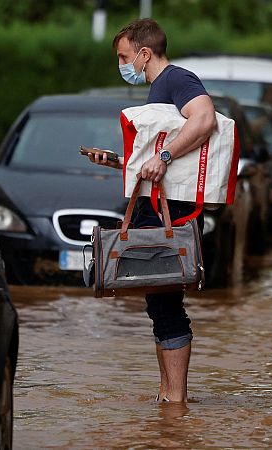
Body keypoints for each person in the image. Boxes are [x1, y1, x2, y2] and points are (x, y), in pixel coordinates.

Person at [87, 18, 217, 403]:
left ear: (144, 54)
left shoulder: (177, 79)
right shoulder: (160, 89)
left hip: (169, 213)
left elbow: (205, 118)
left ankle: (176, 402)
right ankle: (167, 399)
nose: (123, 65)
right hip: (158, 206)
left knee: (165, 302)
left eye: (125, 57)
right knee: (158, 304)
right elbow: (163, 162)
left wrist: (162, 155)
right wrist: (117, 162)